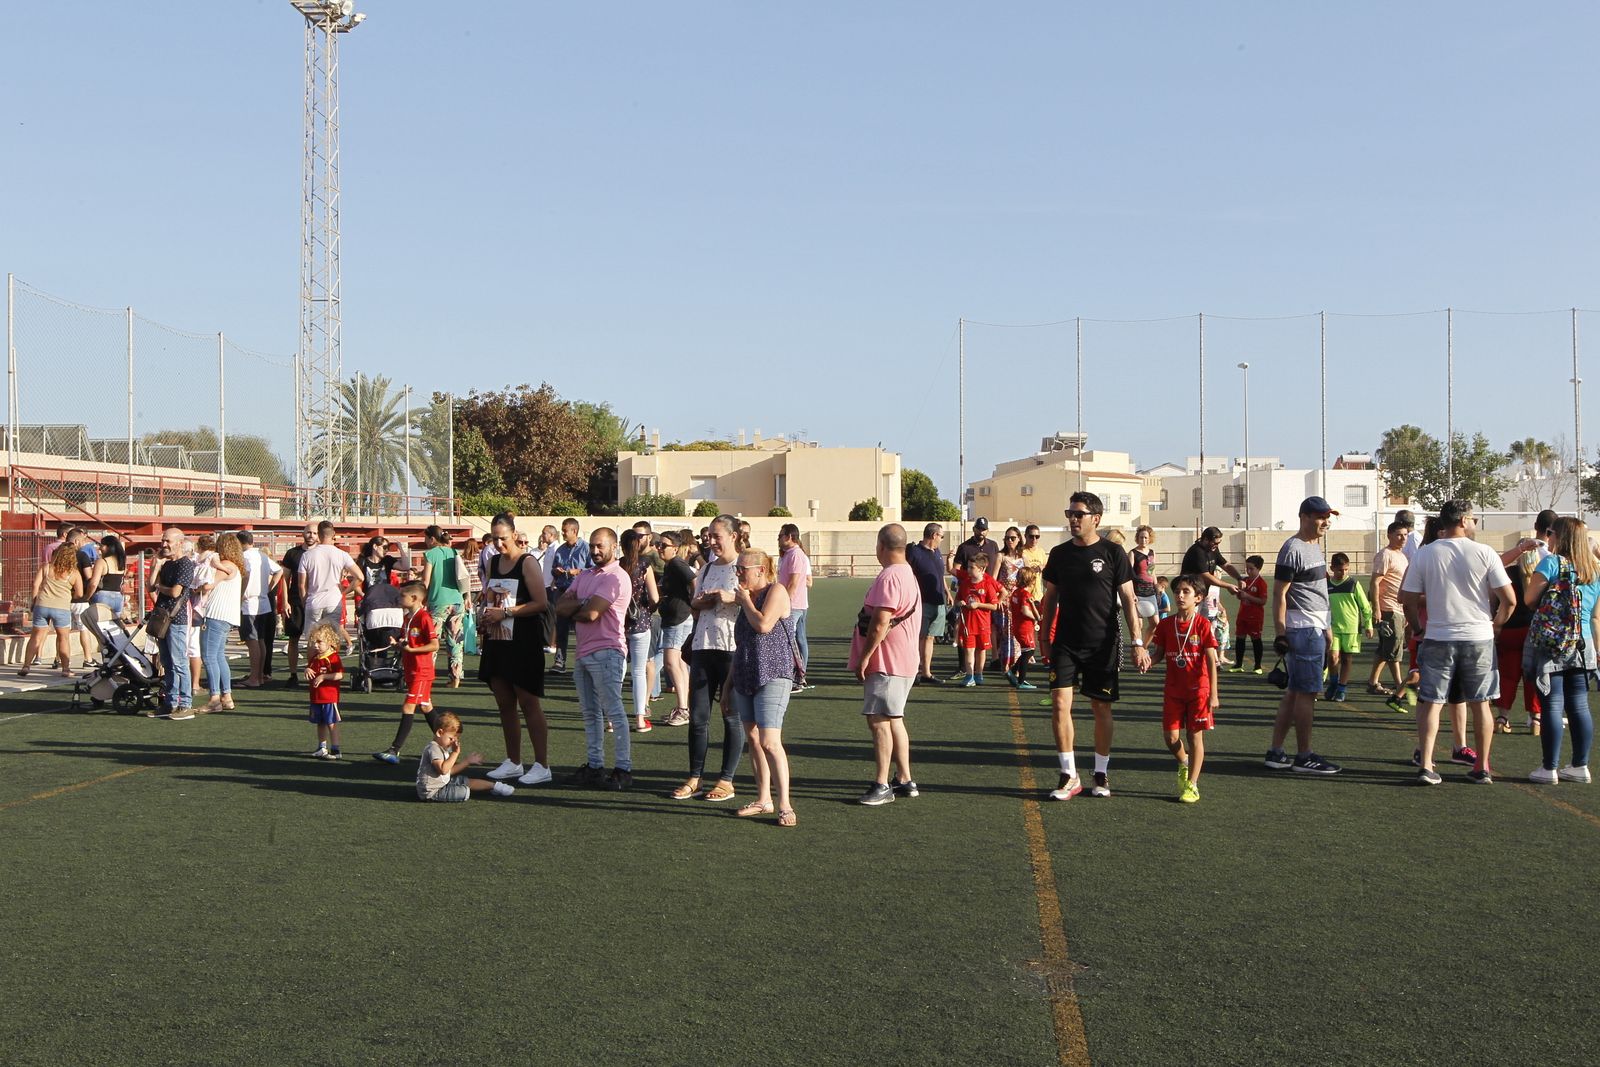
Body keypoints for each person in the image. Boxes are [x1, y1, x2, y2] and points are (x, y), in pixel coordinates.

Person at [1038, 492, 1149, 800]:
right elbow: (1050, 599)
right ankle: (1068, 775)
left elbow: (1129, 600)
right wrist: (1044, 637)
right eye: (1069, 513)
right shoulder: (1059, 554)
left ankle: (1100, 773)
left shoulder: (1113, 553)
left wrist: (1138, 642)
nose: (1073, 519)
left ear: (1095, 519)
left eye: (1079, 514)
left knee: (1101, 707)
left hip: (1103, 643)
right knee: (1060, 704)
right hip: (1065, 643)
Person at [1399, 499, 1515, 785]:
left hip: (1438, 635)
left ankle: (1426, 763)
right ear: (1463, 520)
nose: (1474, 523)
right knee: (1481, 704)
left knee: (1431, 702)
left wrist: (1417, 628)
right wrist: (1496, 624)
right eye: (1473, 518)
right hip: (1478, 638)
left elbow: (1408, 599)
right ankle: (1481, 766)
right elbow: (1509, 600)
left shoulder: (1425, 554)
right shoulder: (1484, 552)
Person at [1264, 498, 1343, 775]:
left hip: (1314, 627)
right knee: (1307, 694)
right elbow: (1279, 594)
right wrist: (1281, 632)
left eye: (1328, 516)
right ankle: (1304, 755)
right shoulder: (1293, 548)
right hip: (1304, 630)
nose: (1326, 522)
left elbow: (1318, 593)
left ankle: (1276, 752)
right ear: (1304, 517)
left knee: (1294, 693)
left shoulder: (1313, 546)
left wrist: (1328, 627)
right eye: (1320, 517)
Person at [476, 514, 554, 787]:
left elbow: (541, 603)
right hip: (498, 640)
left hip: (523, 640)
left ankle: (542, 764)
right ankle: (513, 761)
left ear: (513, 534)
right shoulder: (494, 560)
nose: (498, 543)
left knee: (528, 702)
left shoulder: (527, 561)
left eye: (503, 538)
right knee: (504, 702)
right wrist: (486, 617)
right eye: (495, 538)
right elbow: (491, 595)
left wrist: (506, 612)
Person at [673, 515, 746, 803]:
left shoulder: (744, 566)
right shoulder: (706, 569)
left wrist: (733, 597)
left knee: (732, 717)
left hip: (732, 649)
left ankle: (726, 780)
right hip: (703, 647)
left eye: (717, 536)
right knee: (698, 717)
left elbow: (758, 603)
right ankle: (695, 777)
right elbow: (695, 603)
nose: (711, 541)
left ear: (734, 536)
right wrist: (700, 602)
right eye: (709, 535)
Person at [1523, 516, 1600, 784]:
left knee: (1552, 704)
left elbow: (1530, 599)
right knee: (1579, 704)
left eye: (1550, 532)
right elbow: (1595, 616)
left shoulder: (1551, 563)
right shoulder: (1594, 568)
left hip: (1553, 641)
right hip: (1584, 642)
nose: (1548, 536)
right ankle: (1580, 765)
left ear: (1559, 536)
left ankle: (1549, 768)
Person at [852, 523, 922, 806]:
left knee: (879, 719)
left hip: (887, 662)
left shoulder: (891, 576)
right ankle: (904, 779)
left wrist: (865, 656)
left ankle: (882, 784)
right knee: (894, 719)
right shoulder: (907, 573)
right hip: (902, 659)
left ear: (881, 546)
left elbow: (881, 622)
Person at [559, 527, 633, 790]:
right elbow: (561, 606)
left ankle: (623, 769)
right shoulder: (588, 574)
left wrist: (581, 606)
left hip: (608, 650)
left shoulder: (617, 577)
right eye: (592, 545)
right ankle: (594, 766)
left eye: (600, 545)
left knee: (614, 711)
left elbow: (591, 614)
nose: (595, 551)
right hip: (584, 651)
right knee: (590, 713)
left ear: (614, 547)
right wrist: (586, 604)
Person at [730, 548, 797, 825]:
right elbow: (741, 644)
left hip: (774, 674)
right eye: (737, 569)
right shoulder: (747, 598)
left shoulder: (776, 591)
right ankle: (763, 799)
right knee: (754, 740)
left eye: (743, 569)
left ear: (760, 570)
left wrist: (745, 601)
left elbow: (764, 625)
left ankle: (785, 804)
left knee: (770, 741)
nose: (738, 574)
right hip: (745, 674)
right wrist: (728, 684)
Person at [1149, 575, 1221, 804]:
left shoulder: (1202, 624)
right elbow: (1159, 653)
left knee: (1194, 736)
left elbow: (1211, 660)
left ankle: (1193, 784)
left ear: (1198, 598)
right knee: (1170, 738)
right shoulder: (1166, 624)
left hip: (1198, 690)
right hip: (1173, 689)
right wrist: (1147, 660)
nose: (1180, 595)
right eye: (1178, 591)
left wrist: (1214, 694)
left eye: (1186, 592)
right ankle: (1184, 762)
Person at [373, 582, 440, 765]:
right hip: (411, 669)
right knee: (426, 706)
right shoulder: (408, 617)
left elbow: (434, 645)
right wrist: (399, 644)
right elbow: (408, 642)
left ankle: (394, 750)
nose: (399, 598)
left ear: (415, 598)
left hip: (421, 670)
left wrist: (412, 649)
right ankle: (447, 743)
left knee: (408, 707)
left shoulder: (424, 617)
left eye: (402, 595)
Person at [1494, 536, 1545, 734]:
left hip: (1509, 629)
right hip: (1533, 630)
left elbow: (1497, 601)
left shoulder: (1507, 573)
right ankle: (1536, 719)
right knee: (1533, 676)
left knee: (1507, 676)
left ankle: (1502, 717)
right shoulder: (1541, 576)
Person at [417, 712, 516, 802]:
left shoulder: (442, 747)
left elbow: (449, 772)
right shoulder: (434, 748)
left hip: (442, 783)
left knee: (465, 781)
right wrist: (455, 753)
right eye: (451, 738)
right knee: (464, 791)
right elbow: (443, 770)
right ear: (440, 732)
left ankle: (495, 786)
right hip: (432, 792)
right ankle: (489, 787)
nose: (453, 742)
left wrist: (467, 761)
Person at [152, 526, 197, 718]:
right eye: (163, 540)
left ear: (179, 543)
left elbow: (175, 592)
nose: (163, 544)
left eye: (167, 541)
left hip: (176, 618)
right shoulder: (167, 564)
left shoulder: (185, 564)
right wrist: (155, 567)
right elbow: (150, 586)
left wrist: (158, 586)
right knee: (167, 662)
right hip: (163, 617)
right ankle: (170, 703)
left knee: (179, 662)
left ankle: (185, 703)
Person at [19, 542, 82, 679]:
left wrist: (34, 601)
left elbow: (35, 584)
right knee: (63, 638)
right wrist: (69, 596)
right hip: (62, 607)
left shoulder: (46, 568)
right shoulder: (74, 573)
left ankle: (26, 666)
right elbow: (80, 593)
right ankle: (65, 669)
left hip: (42, 605)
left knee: (35, 637)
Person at [198, 532, 244, 713]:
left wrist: (199, 586)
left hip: (216, 615)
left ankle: (215, 698)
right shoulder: (235, 567)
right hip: (227, 616)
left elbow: (209, 585)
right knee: (218, 656)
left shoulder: (225, 566)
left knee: (209, 657)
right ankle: (226, 696)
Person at [619, 529, 659, 733]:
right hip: (641, 622)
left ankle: (611, 719)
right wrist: (648, 610)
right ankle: (640, 719)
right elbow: (654, 598)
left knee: (618, 671)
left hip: (618, 623)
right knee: (638, 672)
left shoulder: (617, 565)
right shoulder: (644, 566)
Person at [420, 525, 470, 689]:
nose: (425, 542)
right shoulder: (453, 552)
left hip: (438, 602)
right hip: (456, 600)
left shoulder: (430, 554)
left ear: (431, 539)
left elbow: (426, 581)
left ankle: (428, 676)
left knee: (432, 641)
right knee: (455, 641)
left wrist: (421, 599)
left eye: (426, 538)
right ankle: (455, 677)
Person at [298, 521, 362, 650]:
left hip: (314, 600)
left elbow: (301, 585)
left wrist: (305, 601)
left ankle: (313, 667)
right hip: (333, 600)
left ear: (319, 535)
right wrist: (344, 592)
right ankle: (332, 668)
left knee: (313, 640)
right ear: (333, 535)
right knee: (332, 639)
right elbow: (360, 577)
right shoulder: (342, 554)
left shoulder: (307, 555)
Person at [655, 532, 696, 727]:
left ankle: (683, 709)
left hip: (679, 618)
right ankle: (685, 707)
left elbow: (694, 580)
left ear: (675, 548)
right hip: (675, 617)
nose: (659, 548)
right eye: (659, 544)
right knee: (678, 664)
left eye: (664, 545)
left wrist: (695, 604)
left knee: (671, 662)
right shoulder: (671, 566)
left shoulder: (678, 564)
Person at [1368, 522, 1410, 702]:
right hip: (1388, 608)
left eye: (1405, 535)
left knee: (1385, 648)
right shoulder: (1385, 555)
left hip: (1399, 608)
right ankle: (1401, 686)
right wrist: (1376, 609)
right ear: (1389, 535)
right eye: (1399, 535)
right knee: (1394, 648)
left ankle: (1373, 682)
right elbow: (1375, 583)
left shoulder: (1401, 556)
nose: (1403, 538)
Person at [906, 522, 952, 685]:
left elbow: (939, 575)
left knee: (930, 637)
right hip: (921, 602)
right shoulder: (914, 552)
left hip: (938, 601)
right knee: (918, 637)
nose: (941, 539)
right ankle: (913, 672)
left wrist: (946, 591)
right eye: (941, 536)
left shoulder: (937, 552)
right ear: (934, 535)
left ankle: (926, 672)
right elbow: (906, 575)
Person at [1324, 552, 1373, 703]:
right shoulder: (1327, 585)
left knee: (1346, 659)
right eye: (1340, 570)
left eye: (1346, 569)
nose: (1343, 573)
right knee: (1332, 658)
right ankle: (1333, 683)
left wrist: (1368, 624)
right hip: (1333, 628)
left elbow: (1365, 606)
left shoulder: (1353, 584)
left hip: (1351, 628)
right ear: (1332, 568)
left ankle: (1342, 688)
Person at [236, 531, 282, 688]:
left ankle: (254, 677)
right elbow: (279, 570)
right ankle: (259, 675)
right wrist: (268, 588)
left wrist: (240, 596)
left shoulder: (245, 557)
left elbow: (247, 575)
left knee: (252, 641)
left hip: (250, 603)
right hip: (263, 602)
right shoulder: (261, 556)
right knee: (260, 640)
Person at [548, 518, 590, 672]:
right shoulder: (560, 550)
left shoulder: (586, 548)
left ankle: (584, 661)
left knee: (581, 628)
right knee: (561, 628)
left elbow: (593, 569)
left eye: (565, 530)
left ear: (574, 531)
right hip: (563, 592)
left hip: (580, 593)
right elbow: (553, 569)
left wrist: (578, 571)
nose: (563, 533)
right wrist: (556, 571)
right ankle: (560, 662)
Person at [1181, 526, 1243, 626]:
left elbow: (1226, 565)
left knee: (1203, 624)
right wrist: (1228, 586)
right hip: (1190, 595)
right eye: (1215, 543)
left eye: (1219, 543)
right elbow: (1205, 576)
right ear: (1205, 539)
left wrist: (1239, 578)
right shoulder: (1197, 552)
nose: (1216, 545)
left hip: (1202, 594)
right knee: (1190, 624)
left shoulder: (1213, 549)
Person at [955, 553, 1001, 687]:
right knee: (969, 650)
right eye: (968, 567)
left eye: (971, 568)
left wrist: (978, 605)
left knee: (981, 650)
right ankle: (969, 675)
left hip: (983, 624)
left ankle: (979, 673)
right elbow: (957, 599)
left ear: (981, 569)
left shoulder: (987, 585)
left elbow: (994, 605)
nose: (968, 570)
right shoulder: (965, 584)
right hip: (968, 624)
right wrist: (960, 603)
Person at [777, 523, 813, 691]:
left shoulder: (796, 555)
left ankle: (797, 677)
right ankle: (799, 677)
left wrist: (784, 603)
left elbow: (793, 582)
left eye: (781, 535)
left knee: (791, 641)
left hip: (794, 605)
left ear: (789, 536)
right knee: (797, 640)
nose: (778, 538)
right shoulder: (788, 554)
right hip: (795, 604)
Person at [281, 522, 316, 687]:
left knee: (315, 640)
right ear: (303, 533)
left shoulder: (320, 553)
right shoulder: (292, 553)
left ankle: (315, 671)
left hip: (315, 601)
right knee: (293, 638)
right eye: (309, 532)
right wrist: (285, 602)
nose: (311, 536)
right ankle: (293, 674)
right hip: (295, 601)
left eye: (315, 533)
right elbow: (285, 579)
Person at [304, 623, 345, 760]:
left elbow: (339, 675)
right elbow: (311, 669)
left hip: (328, 697)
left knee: (331, 723)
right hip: (316, 696)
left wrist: (323, 676)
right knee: (319, 723)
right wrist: (307, 670)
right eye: (314, 642)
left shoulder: (333, 658)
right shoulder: (315, 658)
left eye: (319, 642)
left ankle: (335, 749)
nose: (316, 645)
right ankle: (322, 747)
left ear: (330, 642)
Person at [1227, 555, 1267, 674]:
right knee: (1240, 638)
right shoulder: (1245, 581)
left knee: (1256, 640)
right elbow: (1240, 597)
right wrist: (1238, 592)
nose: (1248, 571)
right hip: (1243, 615)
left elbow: (1263, 601)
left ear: (1258, 569)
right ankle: (1238, 664)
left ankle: (1257, 666)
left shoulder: (1261, 583)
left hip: (1255, 617)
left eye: (1251, 569)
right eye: (1247, 568)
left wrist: (1248, 596)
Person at [1007, 566, 1041, 690]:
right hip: (1024, 627)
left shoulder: (1016, 592)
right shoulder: (1025, 594)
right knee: (1029, 651)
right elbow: (1025, 611)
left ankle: (1012, 671)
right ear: (1030, 580)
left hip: (1017, 625)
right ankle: (1020, 680)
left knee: (1026, 651)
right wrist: (1036, 618)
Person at [1130, 525, 1161, 644]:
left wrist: (1157, 588)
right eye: (1141, 537)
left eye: (1146, 538)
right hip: (1137, 592)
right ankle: (1137, 648)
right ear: (1137, 538)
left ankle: (1144, 647)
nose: (1143, 540)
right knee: (1139, 624)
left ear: (1150, 539)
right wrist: (1132, 593)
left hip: (1150, 592)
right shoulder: (1133, 553)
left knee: (1155, 623)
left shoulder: (1152, 553)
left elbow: (1152, 572)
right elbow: (1129, 574)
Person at [87, 533, 127, 621]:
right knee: (114, 628)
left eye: (102, 545)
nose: (100, 548)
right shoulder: (122, 562)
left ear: (108, 547)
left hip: (102, 596)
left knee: (100, 627)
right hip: (118, 597)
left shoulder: (101, 562)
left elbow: (93, 584)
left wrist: (87, 597)